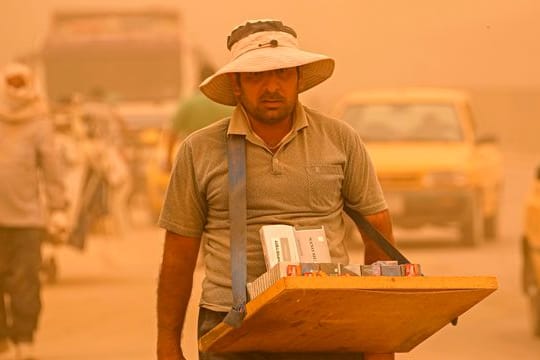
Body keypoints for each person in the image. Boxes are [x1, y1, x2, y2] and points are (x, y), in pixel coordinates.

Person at [157, 19, 397, 360]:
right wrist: (167, 344)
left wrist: (377, 338)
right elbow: (178, 255)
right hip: (231, 324)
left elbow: (378, 234)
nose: (272, 87)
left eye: (283, 74)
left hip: (327, 319)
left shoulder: (340, 139)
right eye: (256, 76)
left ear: (298, 80)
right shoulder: (199, 150)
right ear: (236, 85)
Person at [0, 62, 68, 360]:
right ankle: (3, 338)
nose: (15, 89)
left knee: (25, 284)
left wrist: (58, 209)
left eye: (20, 83)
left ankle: (24, 341)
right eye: (10, 83)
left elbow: (51, 169)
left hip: (27, 220)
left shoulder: (39, 121)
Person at [165, 63, 233, 171]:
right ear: (215, 78)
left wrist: (168, 160)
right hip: (223, 160)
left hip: (194, 159)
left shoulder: (188, 103)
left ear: (199, 79)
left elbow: (172, 133)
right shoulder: (227, 104)